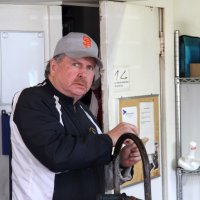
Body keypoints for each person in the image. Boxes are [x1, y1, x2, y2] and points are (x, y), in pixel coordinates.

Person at [10, 32, 141, 200]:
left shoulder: (84, 112)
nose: (83, 74)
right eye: (76, 64)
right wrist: (109, 139)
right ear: (54, 66)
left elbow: (93, 172)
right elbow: (56, 156)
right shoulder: (32, 99)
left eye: (89, 67)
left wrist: (121, 162)